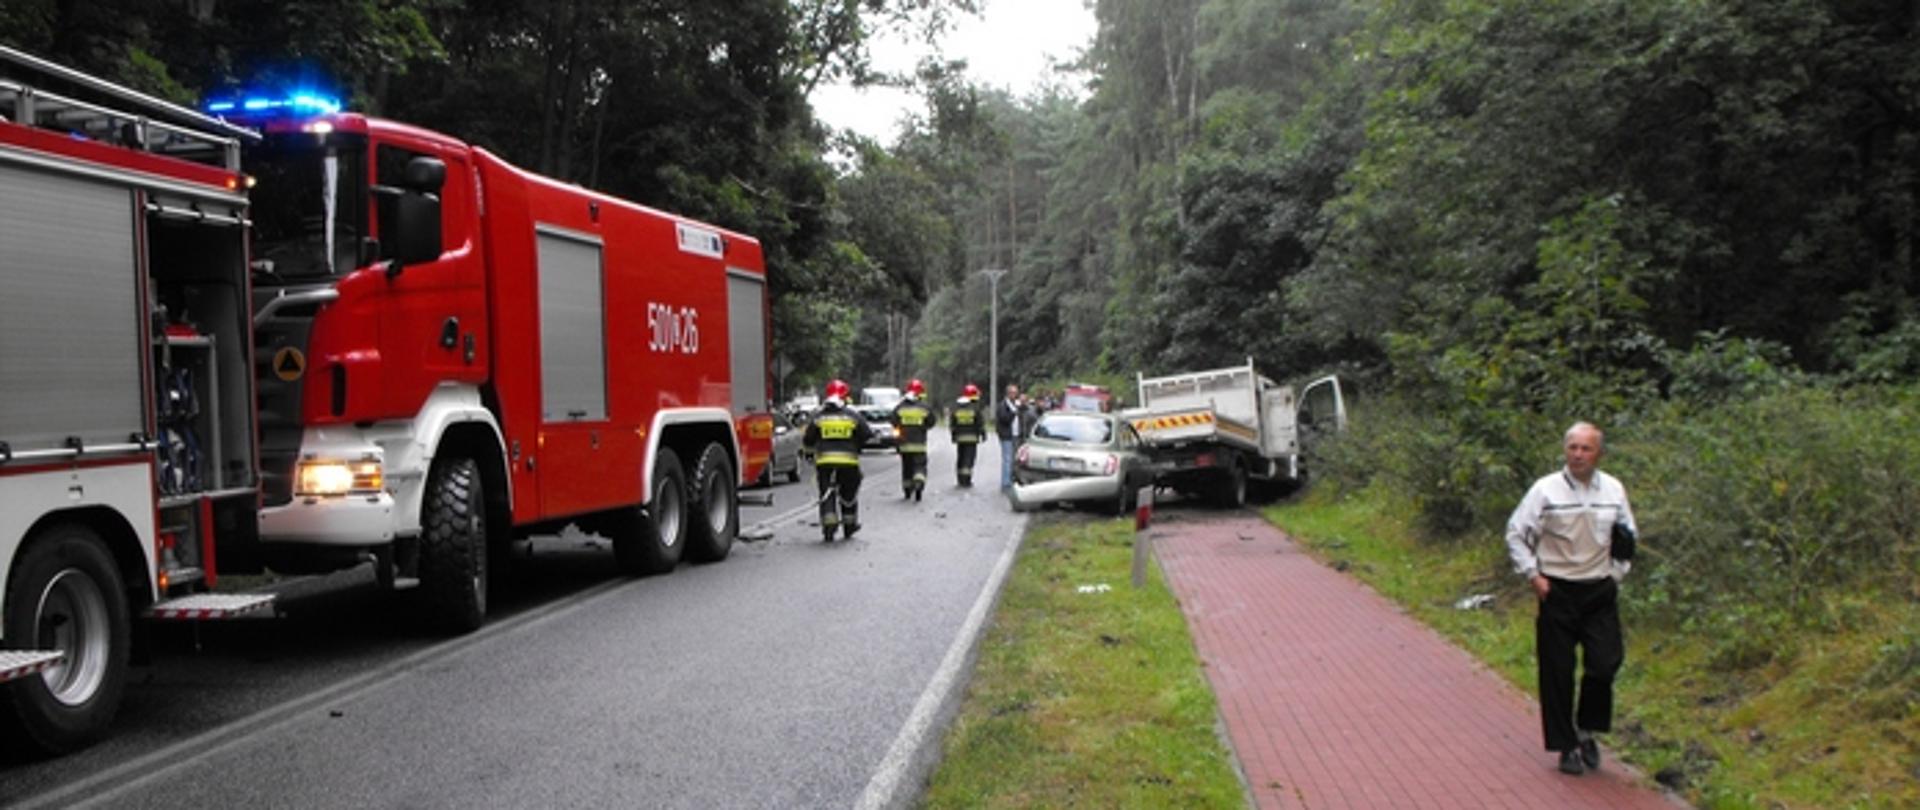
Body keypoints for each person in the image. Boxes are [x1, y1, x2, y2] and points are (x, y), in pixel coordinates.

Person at [1505, 421, 1637, 776]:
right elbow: (1516, 533)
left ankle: (1586, 730)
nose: (1578, 455)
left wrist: (1616, 575)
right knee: (1557, 672)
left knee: (1604, 663)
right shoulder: (1545, 491)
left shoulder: (1612, 489)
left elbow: (1628, 536)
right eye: (1573, 448)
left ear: (1599, 453)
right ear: (1565, 450)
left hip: (1598, 590)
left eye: (1586, 449)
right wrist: (1533, 575)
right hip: (1558, 590)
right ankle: (1566, 746)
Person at [802, 379, 871, 540]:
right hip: (849, 462)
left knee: (826, 492)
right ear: (845, 397)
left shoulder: (818, 416)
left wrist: (810, 454)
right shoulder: (853, 416)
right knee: (848, 493)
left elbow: (808, 439)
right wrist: (856, 446)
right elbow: (867, 434)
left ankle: (829, 522)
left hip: (825, 462)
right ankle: (849, 525)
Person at [891, 378, 935, 501]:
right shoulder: (925, 408)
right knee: (920, 466)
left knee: (907, 467)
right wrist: (922, 427)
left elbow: (893, 422)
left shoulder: (900, 408)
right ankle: (919, 482)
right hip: (919, 444)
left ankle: (907, 490)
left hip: (904, 445)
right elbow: (931, 422)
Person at [948, 383, 987, 487]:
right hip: (972, 438)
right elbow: (980, 423)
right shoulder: (975, 408)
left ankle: (960, 479)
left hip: (960, 439)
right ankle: (966, 480)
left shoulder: (956, 408)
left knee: (961, 457)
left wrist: (953, 435)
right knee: (969, 459)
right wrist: (983, 434)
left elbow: (952, 423)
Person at [994, 384, 1023, 489]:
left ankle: (1012, 479)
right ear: (1008, 393)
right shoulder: (1003, 405)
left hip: (1016, 435)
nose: (1014, 395)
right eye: (1012, 393)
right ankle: (1005, 482)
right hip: (1006, 436)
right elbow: (1004, 419)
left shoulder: (1015, 404)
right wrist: (1013, 412)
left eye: (1015, 393)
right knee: (1007, 459)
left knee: (1014, 459)